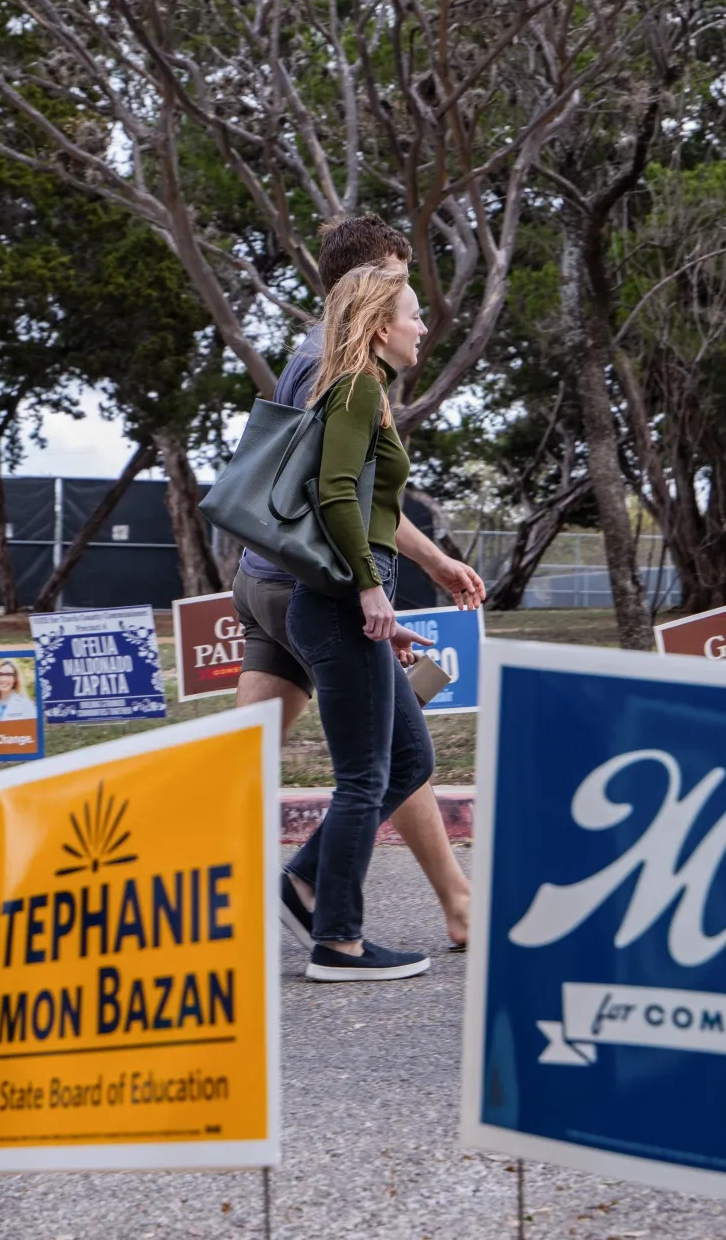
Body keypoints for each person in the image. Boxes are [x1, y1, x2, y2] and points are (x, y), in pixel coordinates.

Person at [233, 216, 482, 953]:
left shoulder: (319, 353)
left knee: (239, 770)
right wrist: (379, 588)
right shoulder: (337, 370)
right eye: (401, 284)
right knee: (389, 758)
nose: (414, 305)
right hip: (313, 588)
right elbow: (339, 496)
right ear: (367, 292)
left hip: (266, 584)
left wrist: (431, 563)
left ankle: (174, 900)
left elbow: (354, 492)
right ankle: (445, 906)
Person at [279, 261, 445, 981]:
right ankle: (338, 942)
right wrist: (374, 593)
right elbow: (335, 492)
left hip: (352, 609)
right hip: (338, 609)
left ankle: (306, 882)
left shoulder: (367, 391)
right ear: (381, 327)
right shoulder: (354, 387)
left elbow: (367, 510)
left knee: (410, 760)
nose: (422, 327)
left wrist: (384, 607)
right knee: (364, 775)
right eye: (413, 315)